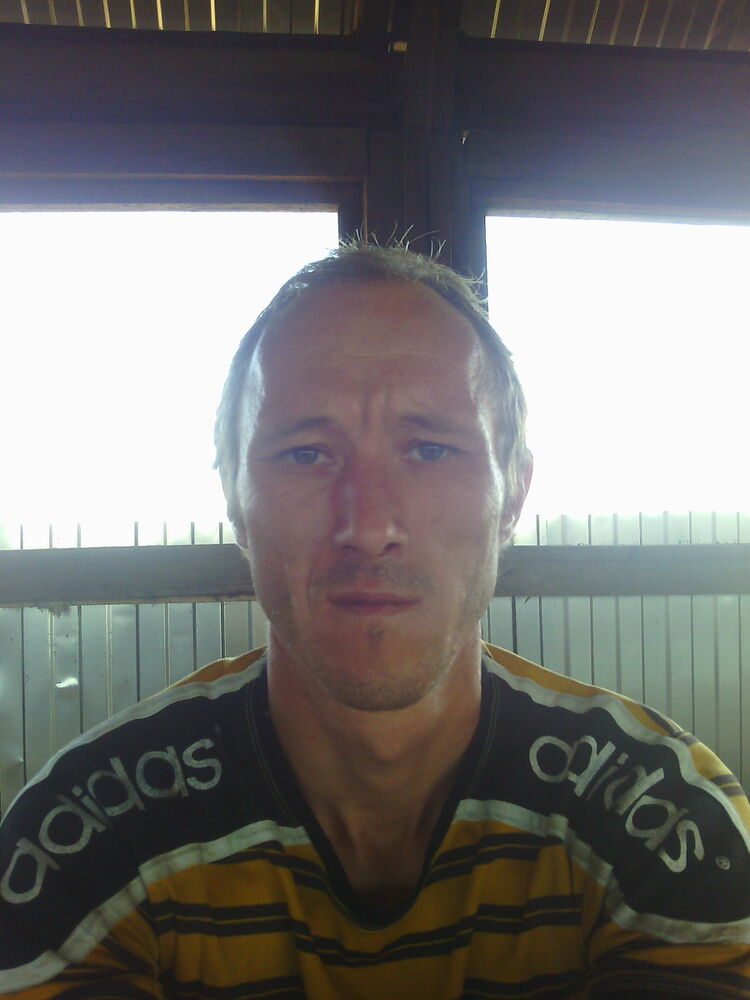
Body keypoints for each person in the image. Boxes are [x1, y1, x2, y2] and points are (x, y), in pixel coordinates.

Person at [1, 242, 749, 1000]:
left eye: (430, 449)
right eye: (305, 454)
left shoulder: (666, 818)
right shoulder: (82, 841)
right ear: (233, 500)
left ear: (514, 495)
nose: (367, 526)